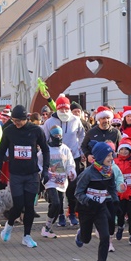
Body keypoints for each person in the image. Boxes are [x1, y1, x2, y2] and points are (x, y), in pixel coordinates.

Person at [0, 105, 50, 248]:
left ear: (26, 119)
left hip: (31, 174)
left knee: (29, 207)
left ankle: (27, 236)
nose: (16, 123)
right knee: (18, 205)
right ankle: (9, 225)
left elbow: (45, 149)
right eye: (14, 120)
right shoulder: (9, 131)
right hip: (16, 174)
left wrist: (45, 171)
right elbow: (0, 152)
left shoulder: (36, 130)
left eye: (19, 121)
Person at [74, 142, 120, 261]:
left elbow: (111, 187)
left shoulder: (109, 172)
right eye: (108, 155)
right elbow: (78, 193)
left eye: (112, 155)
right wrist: (89, 201)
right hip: (86, 209)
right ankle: (80, 234)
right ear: (100, 157)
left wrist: (115, 201)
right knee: (86, 240)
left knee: (105, 236)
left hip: (100, 207)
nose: (111, 158)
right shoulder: (87, 173)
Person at [43, 96, 86, 227]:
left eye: (67, 108)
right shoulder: (49, 122)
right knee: (59, 190)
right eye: (61, 108)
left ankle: (71, 213)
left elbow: (82, 135)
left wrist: (81, 149)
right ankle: (60, 214)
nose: (64, 111)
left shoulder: (76, 120)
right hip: (57, 159)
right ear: (57, 109)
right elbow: (44, 138)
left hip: (74, 157)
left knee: (73, 188)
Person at [40, 125, 76, 239]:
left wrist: (72, 172)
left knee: (58, 205)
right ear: (51, 136)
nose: (58, 137)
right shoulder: (45, 149)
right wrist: (44, 172)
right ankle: (47, 227)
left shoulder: (65, 149)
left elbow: (70, 164)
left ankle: (48, 226)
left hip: (62, 181)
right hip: (50, 180)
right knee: (55, 202)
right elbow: (38, 163)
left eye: (59, 135)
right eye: (55, 135)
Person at [114, 135, 131, 246]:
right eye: (122, 149)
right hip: (119, 192)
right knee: (120, 213)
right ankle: (120, 226)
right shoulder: (115, 162)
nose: (124, 151)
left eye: (127, 149)